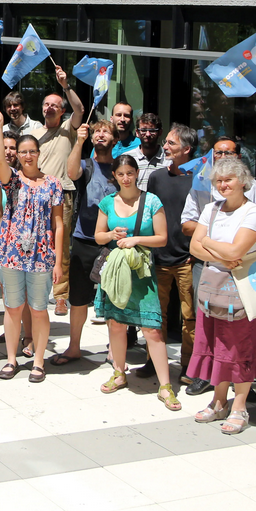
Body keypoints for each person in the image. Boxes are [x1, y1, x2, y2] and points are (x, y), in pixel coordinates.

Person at [186, 156, 256, 433]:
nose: (223, 185)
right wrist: (220, 253)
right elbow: (194, 248)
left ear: (243, 182)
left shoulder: (253, 212)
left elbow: (236, 251)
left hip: (242, 288)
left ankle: (240, 407)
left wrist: (208, 241)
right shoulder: (210, 209)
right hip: (213, 286)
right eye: (219, 180)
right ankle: (219, 401)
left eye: (228, 179)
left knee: (239, 348)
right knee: (215, 344)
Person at [93, 154, 175, 408]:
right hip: (117, 273)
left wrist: (136, 239)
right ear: (114, 176)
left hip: (143, 274)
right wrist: (111, 234)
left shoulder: (152, 201)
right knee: (116, 324)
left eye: (130, 173)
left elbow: (162, 238)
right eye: (121, 174)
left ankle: (165, 386)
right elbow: (98, 236)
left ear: (137, 173)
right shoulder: (108, 202)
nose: (126, 178)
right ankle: (119, 373)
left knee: (152, 330)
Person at [0, 106, 62, 381]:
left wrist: (58, 261)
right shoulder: (12, 180)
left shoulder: (53, 184)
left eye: (32, 151)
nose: (28, 156)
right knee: (13, 308)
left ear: (39, 154)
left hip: (42, 255)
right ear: (17, 155)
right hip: (11, 253)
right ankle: (11, 359)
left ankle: (39, 361)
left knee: (39, 309)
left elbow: (58, 224)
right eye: (23, 152)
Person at [138, 123, 199, 382]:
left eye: (171, 143)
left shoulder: (199, 179)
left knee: (190, 317)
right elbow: (149, 213)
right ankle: (154, 360)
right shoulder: (156, 177)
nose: (165, 147)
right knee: (156, 315)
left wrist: (197, 252)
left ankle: (189, 367)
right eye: (166, 143)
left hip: (188, 259)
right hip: (159, 257)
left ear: (187, 149)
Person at [60, 119, 117, 362]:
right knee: (79, 298)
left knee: (113, 299)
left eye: (106, 131)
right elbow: (71, 173)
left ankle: (115, 351)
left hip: (112, 243)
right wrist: (79, 141)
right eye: (96, 132)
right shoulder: (87, 164)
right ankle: (74, 347)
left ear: (114, 139)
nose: (100, 135)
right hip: (83, 239)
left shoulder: (120, 168)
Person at [36, 69, 85, 318]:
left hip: (62, 194)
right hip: (36, 194)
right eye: (47, 104)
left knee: (61, 246)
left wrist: (65, 86)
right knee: (34, 242)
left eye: (55, 105)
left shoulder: (68, 128)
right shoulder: (33, 133)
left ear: (62, 111)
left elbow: (80, 109)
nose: (50, 108)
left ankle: (61, 296)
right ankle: (36, 291)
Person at [123, 112, 167, 191]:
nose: (148, 134)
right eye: (143, 130)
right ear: (137, 132)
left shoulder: (168, 159)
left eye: (152, 130)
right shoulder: (127, 158)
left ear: (160, 132)